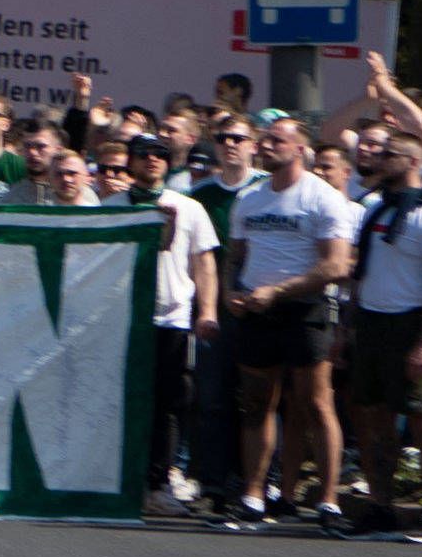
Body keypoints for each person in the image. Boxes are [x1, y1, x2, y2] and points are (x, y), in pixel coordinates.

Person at [219, 121, 356, 528]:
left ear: (299, 149)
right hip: (258, 313)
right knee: (257, 403)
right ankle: (254, 496)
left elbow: (334, 265)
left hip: (305, 311)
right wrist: (230, 292)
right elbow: (235, 256)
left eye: (276, 140)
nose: (265, 146)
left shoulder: (323, 198)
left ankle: (329, 502)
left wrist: (277, 292)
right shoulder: (249, 198)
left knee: (316, 404)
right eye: (264, 139)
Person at [340, 129, 422, 539]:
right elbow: (360, 275)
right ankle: (380, 507)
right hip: (371, 320)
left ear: (413, 162)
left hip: (411, 323)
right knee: (372, 415)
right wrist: (346, 328)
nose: (380, 159)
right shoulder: (375, 210)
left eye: (390, 154)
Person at [123, 134, 220, 520]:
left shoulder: (189, 207)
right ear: (130, 160)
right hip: (123, 317)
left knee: (167, 405)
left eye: (160, 155)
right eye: (143, 154)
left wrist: (207, 310)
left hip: (171, 317)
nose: (152, 160)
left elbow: (205, 263)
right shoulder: (112, 205)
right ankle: (124, 481)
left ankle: (158, 484)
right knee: (125, 402)